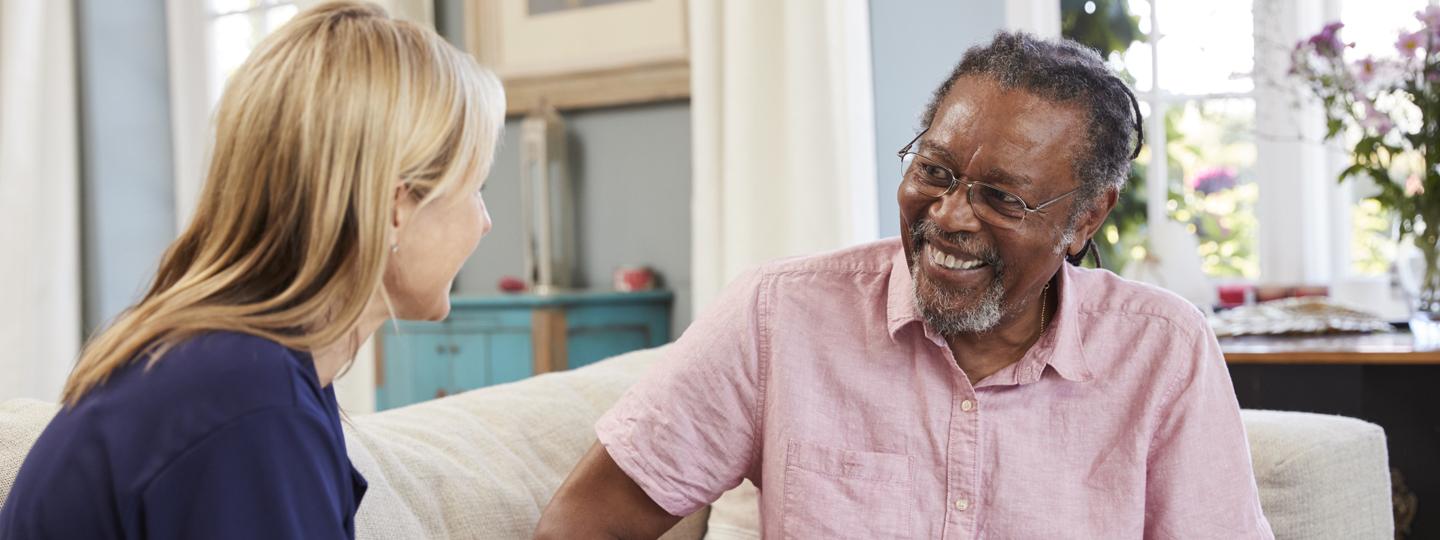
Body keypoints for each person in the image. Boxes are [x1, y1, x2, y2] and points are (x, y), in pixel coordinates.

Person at [537, 32, 1273, 539]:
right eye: (934, 172)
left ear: (1085, 220)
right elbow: (589, 520)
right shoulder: (778, 315)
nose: (949, 217)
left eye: (1001, 198)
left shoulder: (1162, 351)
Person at [0, 2, 504, 538]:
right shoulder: (249, 402)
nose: (486, 223)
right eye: (476, 189)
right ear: (394, 209)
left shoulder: (255, 370)